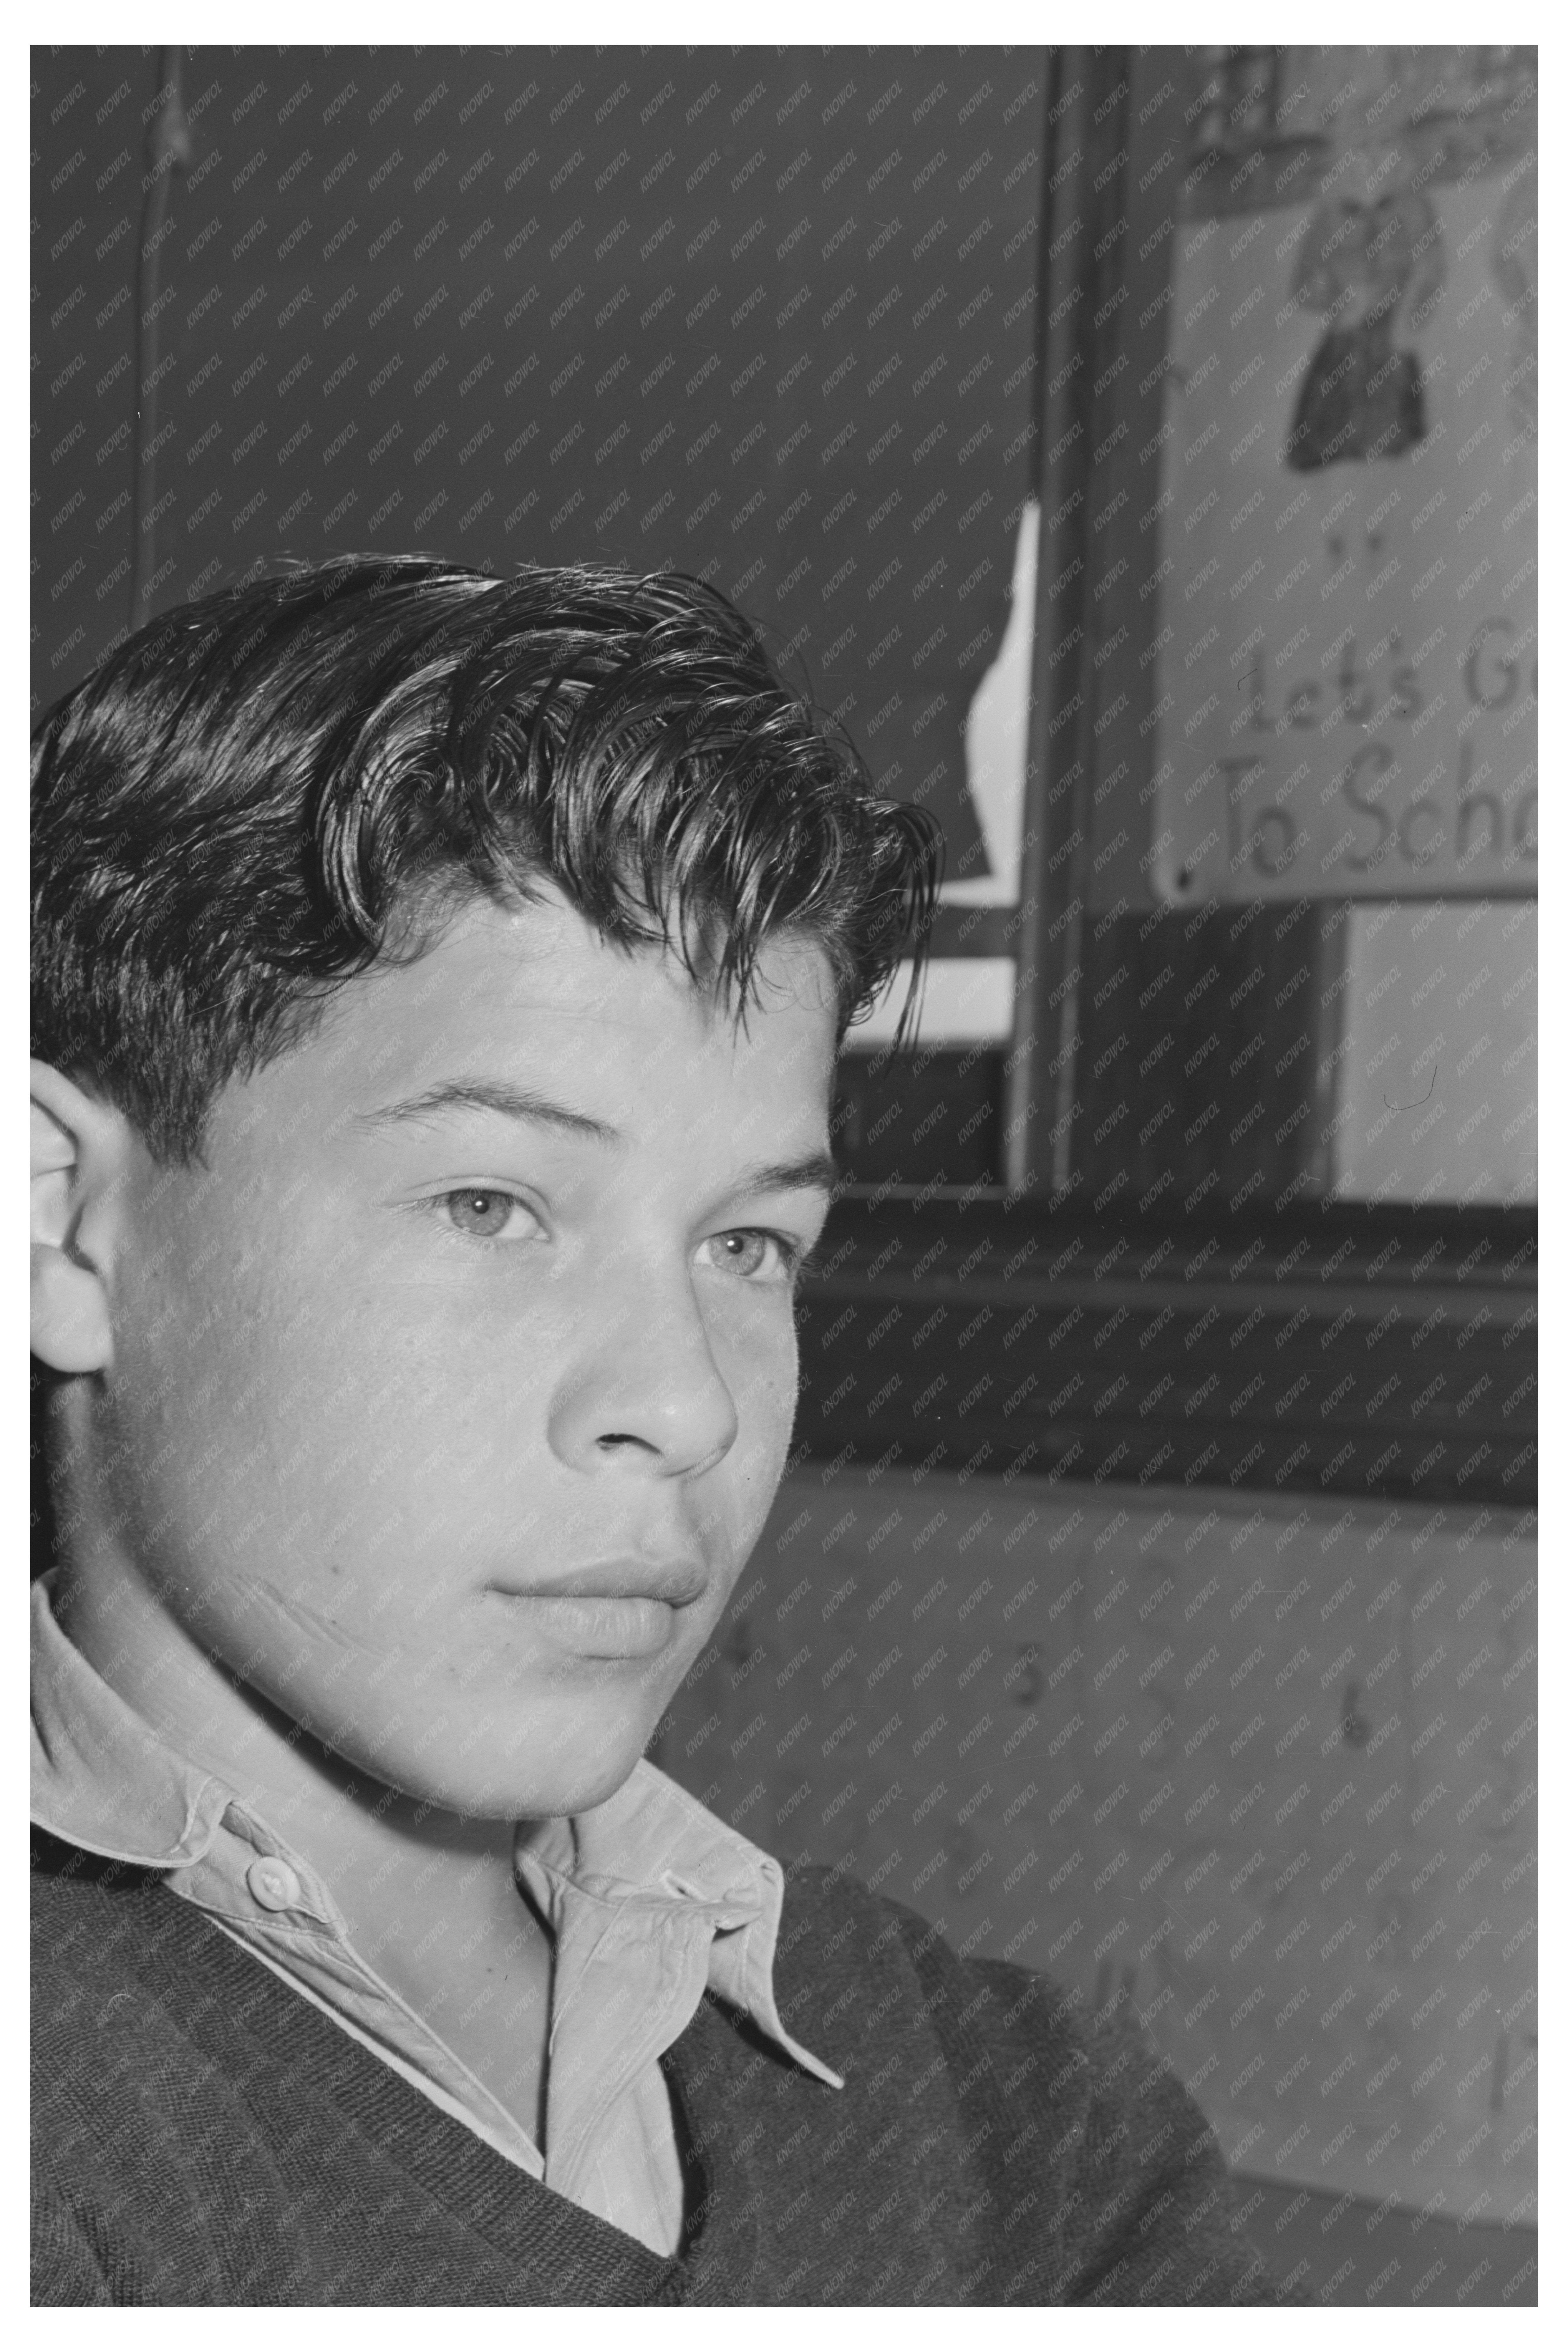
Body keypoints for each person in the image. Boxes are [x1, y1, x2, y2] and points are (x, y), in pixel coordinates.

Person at [31, 556, 1299, 2305]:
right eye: (490, 1205)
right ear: (63, 1229)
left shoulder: (1001, 2123)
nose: (686, 1402)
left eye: (747, 1245)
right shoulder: (69, 2136)